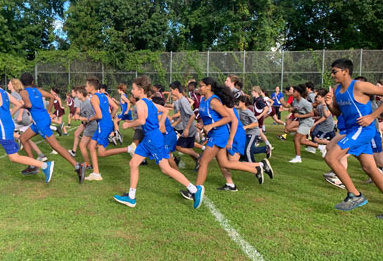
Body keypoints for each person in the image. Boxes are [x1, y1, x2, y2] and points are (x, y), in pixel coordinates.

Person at [114, 75, 202, 208]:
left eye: (133, 89)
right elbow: (165, 110)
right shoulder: (149, 102)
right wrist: (160, 125)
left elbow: (142, 120)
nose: (132, 91)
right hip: (149, 138)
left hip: (152, 139)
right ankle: (131, 197)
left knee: (166, 169)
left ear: (141, 90)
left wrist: (129, 124)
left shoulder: (140, 103)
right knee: (133, 163)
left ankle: (194, 189)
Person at [186, 77, 273, 209]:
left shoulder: (214, 101)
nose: (200, 87)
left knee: (203, 161)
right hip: (215, 134)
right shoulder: (203, 100)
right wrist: (203, 125)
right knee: (225, 163)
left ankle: (195, 191)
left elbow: (228, 118)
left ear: (209, 87)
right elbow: (209, 117)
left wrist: (213, 127)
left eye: (202, 85)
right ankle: (255, 168)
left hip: (219, 135)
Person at [0, 69, 54, 192]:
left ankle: (44, 165)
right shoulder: (3, 92)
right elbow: (18, 103)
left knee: (14, 157)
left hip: (3, 129)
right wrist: (9, 114)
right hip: (1, 128)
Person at [324, 58, 383, 211]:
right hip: (352, 131)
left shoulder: (359, 86)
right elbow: (339, 113)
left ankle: (355, 195)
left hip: (363, 130)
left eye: (334, 71)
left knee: (330, 157)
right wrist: (330, 105)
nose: (332, 75)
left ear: (346, 71)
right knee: (370, 168)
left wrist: (372, 116)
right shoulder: (337, 90)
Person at [18, 73, 86, 183]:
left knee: (56, 146)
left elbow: (29, 105)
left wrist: (20, 105)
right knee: (23, 138)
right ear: (32, 82)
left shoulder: (23, 92)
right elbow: (52, 97)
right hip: (40, 121)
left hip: (40, 122)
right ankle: (32, 165)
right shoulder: (37, 90)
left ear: (22, 83)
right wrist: (49, 111)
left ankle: (78, 166)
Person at [86, 77, 135, 181]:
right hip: (106, 124)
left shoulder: (93, 98)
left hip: (103, 125)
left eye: (86, 86)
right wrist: (110, 118)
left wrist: (89, 118)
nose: (85, 87)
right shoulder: (104, 96)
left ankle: (129, 149)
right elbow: (116, 107)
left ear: (91, 87)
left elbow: (98, 115)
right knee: (91, 146)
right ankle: (96, 173)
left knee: (101, 153)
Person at [169, 81, 200, 170]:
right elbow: (183, 116)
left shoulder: (183, 100)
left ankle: (198, 156)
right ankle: (199, 162)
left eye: (171, 90)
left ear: (176, 90)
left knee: (178, 147)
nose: (171, 92)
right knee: (187, 148)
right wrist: (174, 124)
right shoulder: (179, 101)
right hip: (188, 128)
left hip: (189, 129)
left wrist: (186, 129)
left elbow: (192, 115)